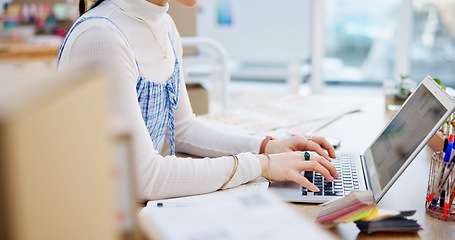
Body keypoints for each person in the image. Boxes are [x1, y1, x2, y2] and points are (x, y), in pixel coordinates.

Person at [57, 0, 339, 201]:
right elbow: (145, 177)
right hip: (98, 218)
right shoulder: (103, 35)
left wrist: (267, 146)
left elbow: (184, 129)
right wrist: (261, 164)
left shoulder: (165, 24)